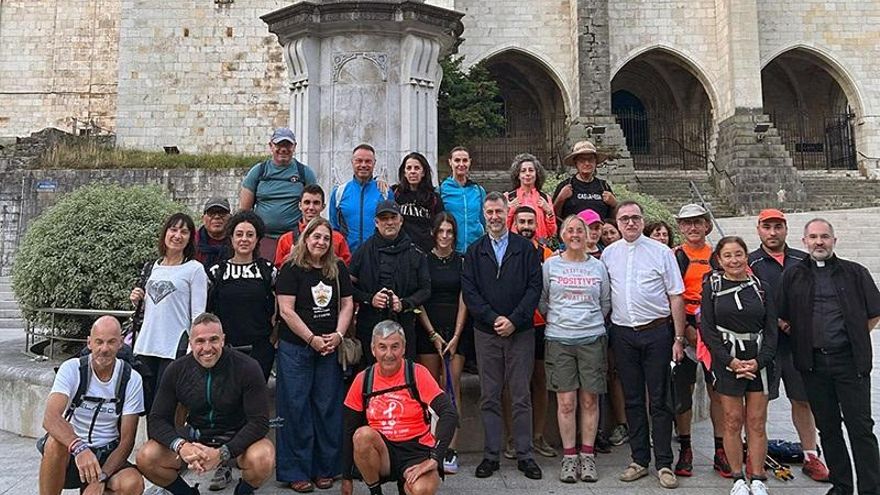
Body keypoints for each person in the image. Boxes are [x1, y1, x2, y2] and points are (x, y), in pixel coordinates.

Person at [778, 218, 880, 495]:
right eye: (813, 237)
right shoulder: (793, 275)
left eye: (824, 236)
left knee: (861, 429)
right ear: (804, 242)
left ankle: (871, 488)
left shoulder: (855, 272)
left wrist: (854, 337)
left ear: (834, 240)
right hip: (814, 365)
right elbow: (782, 315)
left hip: (850, 363)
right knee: (829, 428)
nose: (819, 242)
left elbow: (874, 311)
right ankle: (842, 487)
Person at [137, 313, 274, 495]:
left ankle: (243, 492)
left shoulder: (247, 367)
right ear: (191, 343)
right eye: (200, 341)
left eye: (214, 340)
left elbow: (260, 422)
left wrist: (222, 454)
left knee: (263, 457)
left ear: (223, 340)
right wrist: (181, 446)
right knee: (147, 457)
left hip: (236, 437)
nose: (207, 348)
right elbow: (156, 419)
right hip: (196, 435)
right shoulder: (176, 369)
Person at [602, 200, 686, 489]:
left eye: (635, 218)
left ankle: (664, 462)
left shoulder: (661, 252)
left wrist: (678, 337)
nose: (630, 223)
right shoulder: (609, 254)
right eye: (623, 219)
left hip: (657, 333)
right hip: (623, 334)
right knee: (633, 399)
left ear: (642, 219)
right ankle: (639, 459)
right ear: (616, 222)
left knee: (660, 400)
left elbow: (676, 295)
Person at [461, 192, 543, 480]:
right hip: (487, 333)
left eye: (498, 211)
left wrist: (514, 320)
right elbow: (470, 292)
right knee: (490, 396)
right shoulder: (474, 251)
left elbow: (535, 289)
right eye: (489, 212)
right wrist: (494, 318)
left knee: (521, 395)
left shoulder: (525, 249)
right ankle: (491, 455)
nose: (494, 217)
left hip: (520, 332)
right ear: (484, 214)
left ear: (506, 213)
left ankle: (525, 455)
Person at [747, 209, 829, 481]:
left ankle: (810, 456)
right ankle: (756, 458)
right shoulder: (750, 262)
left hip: (799, 344)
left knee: (803, 400)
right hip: (764, 345)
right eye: (767, 227)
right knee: (759, 404)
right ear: (759, 229)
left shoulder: (802, 260)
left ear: (785, 229)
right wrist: (778, 319)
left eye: (778, 227)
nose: (773, 232)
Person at [275, 217, 355, 492]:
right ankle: (296, 470)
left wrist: (339, 335)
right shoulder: (291, 268)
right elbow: (286, 310)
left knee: (327, 407)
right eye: (316, 236)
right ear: (305, 238)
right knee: (295, 407)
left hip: (329, 348)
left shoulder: (338, 269)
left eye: (325, 238)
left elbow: (347, 305)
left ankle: (326, 468)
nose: (320, 242)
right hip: (296, 348)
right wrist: (311, 338)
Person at [341, 320, 459, 495]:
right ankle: (375, 492)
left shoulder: (417, 373)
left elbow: (449, 413)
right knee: (361, 435)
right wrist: (346, 478)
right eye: (382, 347)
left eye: (395, 347)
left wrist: (435, 458)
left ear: (403, 348)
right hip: (383, 451)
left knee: (421, 490)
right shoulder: (363, 379)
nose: (389, 354)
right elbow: (348, 428)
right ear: (373, 349)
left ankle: (407, 487)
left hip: (417, 449)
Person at [700, 236, 778, 495]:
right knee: (732, 421)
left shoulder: (762, 287)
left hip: (758, 360)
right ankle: (737, 478)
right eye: (728, 256)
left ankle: (757, 477)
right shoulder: (711, 287)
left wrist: (758, 362)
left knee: (756, 422)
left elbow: (771, 331)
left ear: (746, 256)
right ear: (720, 260)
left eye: (738, 254)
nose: (734, 260)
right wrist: (730, 361)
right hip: (728, 360)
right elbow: (708, 329)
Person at [539, 215, 611, 483]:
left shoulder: (598, 267)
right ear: (562, 234)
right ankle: (569, 457)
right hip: (559, 338)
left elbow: (605, 303)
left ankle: (588, 455)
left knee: (590, 400)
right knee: (566, 402)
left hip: (591, 338)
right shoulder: (550, 265)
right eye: (570, 230)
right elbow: (543, 301)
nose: (575, 235)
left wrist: (587, 323)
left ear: (587, 234)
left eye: (580, 230)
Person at [38, 316, 145, 495]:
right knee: (54, 443)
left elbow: (127, 441)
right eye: (99, 342)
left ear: (120, 343)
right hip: (71, 451)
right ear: (89, 343)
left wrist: (101, 477)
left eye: (111, 342)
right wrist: (79, 447)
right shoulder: (72, 369)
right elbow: (50, 418)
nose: (104, 349)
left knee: (132, 484)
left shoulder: (132, 379)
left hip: (106, 454)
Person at [670, 204, 727, 478]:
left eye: (698, 222)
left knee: (718, 393)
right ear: (680, 228)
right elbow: (669, 295)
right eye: (687, 223)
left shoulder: (718, 257)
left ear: (707, 226)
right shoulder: (675, 256)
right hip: (685, 329)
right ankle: (685, 448)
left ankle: (720, 449)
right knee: (684, 393)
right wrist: (683, 332)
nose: (693, 228)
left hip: (713, 331)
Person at [129, 212, 207, 409]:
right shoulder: (151, 267)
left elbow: (198, 314)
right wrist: (137, 300)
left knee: (165, 407)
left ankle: (164, 441)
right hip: (146, 345)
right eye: (173, 229)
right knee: (145, 406)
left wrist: (193, 349)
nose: (177, 235)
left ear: (190, 238)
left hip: (174, 347)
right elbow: (155, 307)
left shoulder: (194, 269)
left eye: (184, 231)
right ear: (165, 233)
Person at [413, 212, 469, 474]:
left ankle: (451, 448)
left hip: (456, 330)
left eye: (450, 232)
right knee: (431, 388)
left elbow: (464, 298)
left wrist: (456, 334)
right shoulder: (424, 261)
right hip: (429, 329)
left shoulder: (461, 261)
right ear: (434, 234)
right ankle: (431, 445)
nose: (445, 236)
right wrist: (433, 333)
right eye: (441, 231)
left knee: (452, 386)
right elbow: (420, 299)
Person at [501, 206, 557, 461]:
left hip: (541, 326)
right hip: (515, 324)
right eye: (521, 221)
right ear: (513, 224)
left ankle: (538, 436)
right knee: (512, 383)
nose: (526, 226)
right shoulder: (506, 251)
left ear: (537, 226)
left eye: (530, 222)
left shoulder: (548, 255)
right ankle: (513, 438)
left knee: (539, 381)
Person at [349, 200, 431, 361]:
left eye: (393, 217)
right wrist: (369, 299)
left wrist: (404, 303)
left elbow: (426, 289)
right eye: (384, 218)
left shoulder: (416, 253)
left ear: (401, 220)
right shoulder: (363, 252)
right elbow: (347, 287)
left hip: (403, 324)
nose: (389, 222)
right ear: (376, 222)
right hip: (370, 325)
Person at [206, 211, 276, 381]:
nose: (244, 239)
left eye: (250, 235)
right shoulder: (216, 272)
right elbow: (207, 310)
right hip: (225, 348)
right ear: (231, 238)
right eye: (239, 234)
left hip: (260, 348)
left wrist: (275, 338)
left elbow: (281, 306)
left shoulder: (269, 271)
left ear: (258, 239)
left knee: (254, 398)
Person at [239, 127, 318, 260]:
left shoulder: (304, 173)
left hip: (295, 238)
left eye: (287, 145)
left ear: (294, 147)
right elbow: (244, 211)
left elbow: (314, 206)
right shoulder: (258, 172)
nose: (283, 149)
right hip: (264, 239)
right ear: (271, 146)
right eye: (279, 145)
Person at [273, 184, 352, 268]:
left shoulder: (337, 239)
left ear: (323, 207)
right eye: (307, 202)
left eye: (316, 203)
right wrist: (290, 259)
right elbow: (279, 272)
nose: (311, 207)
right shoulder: (285, 240)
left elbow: (345, 270)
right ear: (300, 206)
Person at [329, 143, 389, 253]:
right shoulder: (339, 193)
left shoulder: (385, 192)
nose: (363, 165)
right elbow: (334, 228)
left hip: (377, 256)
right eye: (359, 161)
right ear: (352, 162)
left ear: (374, 163)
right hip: (348, 256)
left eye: (368, 161)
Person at [392, 151, 445, 253]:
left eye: (417, 168)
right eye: (409, 168)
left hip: (426, 252)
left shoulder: (434, 198)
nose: (413, 172)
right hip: (401, 251)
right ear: (404, 172)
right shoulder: (395, 194)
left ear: (423, 172)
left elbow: (440, 226)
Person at [552, 140, 617, 221]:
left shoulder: (604, 186)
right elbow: (552, 216)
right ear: (576, 163)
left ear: (596, 162)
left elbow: (615, 218)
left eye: (590, 159)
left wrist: (614, 204)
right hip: (574, 232)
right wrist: (560, 199)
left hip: (598, 231)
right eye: (582, 160)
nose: (587, 163)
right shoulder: (565, 185)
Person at [438, 146, 487, 253]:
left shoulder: (478, 190)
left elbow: (483, 220)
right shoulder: (441, 190)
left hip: (476, 249)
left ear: (470, 162)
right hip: (451, 250)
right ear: (450, 162)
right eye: (457, 160)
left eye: (465, 160)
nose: (461, 164)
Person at [505, 153, 557, 242]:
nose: (527, 174)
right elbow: (502, 230)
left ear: (537, 174)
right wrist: (509, 210)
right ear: (518, 175)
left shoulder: (545, 198)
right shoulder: (508, 197)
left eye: (531, 170)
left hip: (539, 248)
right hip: (515, 248)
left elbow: (552, 232)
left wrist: (549, 211)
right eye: (523, 171)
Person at [195, 197, 231, 270]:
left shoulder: (238, 241)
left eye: (222, 213)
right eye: (211, 213)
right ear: (203, 218)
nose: (217, 217)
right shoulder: (193, 240)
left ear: (230, 217)